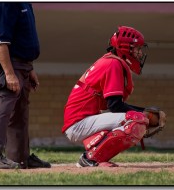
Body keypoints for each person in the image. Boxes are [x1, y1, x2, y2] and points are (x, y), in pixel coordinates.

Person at [62, 26, 166, 167]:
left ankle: (93, 157)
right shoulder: (113, 63)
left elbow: (113, 106)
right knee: (136, 120)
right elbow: (115, 106)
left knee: (136, 118)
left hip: (81, 122)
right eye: (137, 48)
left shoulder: (110, 61)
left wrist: (143, 113)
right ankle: (89, 159)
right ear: (125, 48)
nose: (140, 53)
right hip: (78, 124)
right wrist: (144, 114)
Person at [0, 2, 51, 169]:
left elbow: (23, 37)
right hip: (10, 65)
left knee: (20, 112)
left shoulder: (24, 2)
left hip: (24, 65)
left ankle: (19, 158)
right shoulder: (3, 1)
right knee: (1, 107)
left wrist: (30, 68)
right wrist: (9, 73)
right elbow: (0, 42)